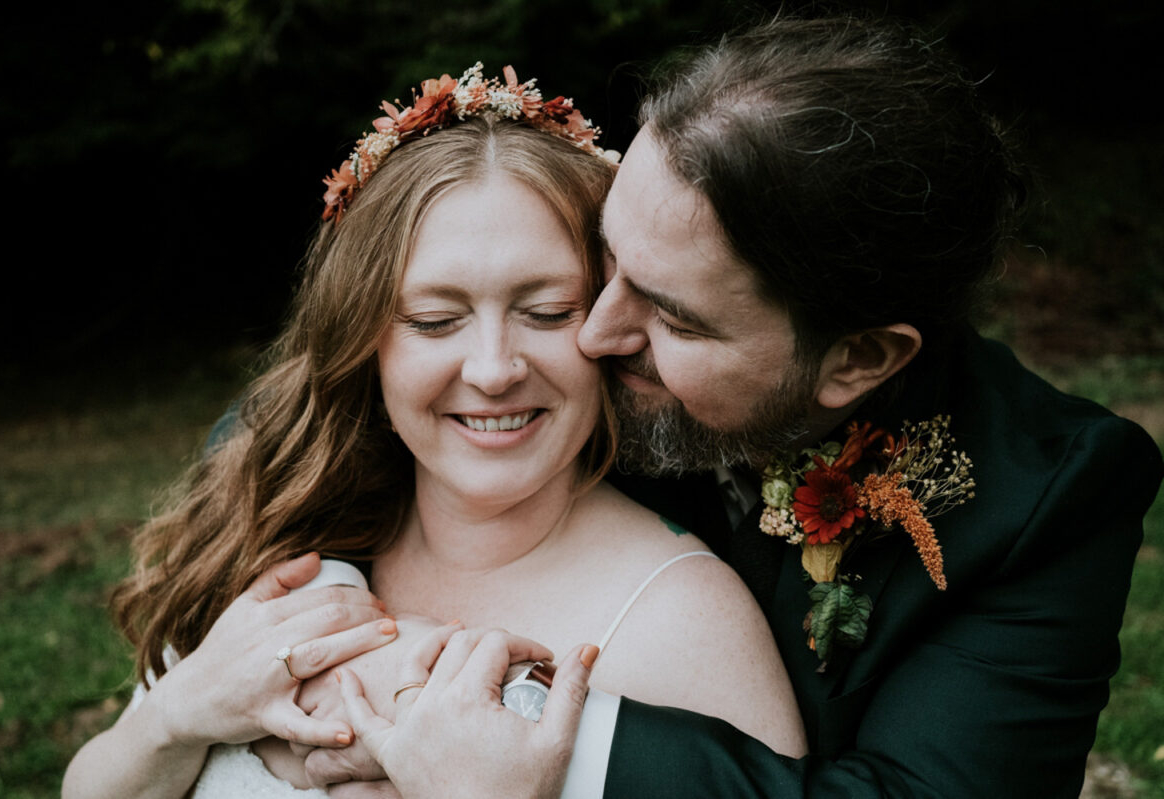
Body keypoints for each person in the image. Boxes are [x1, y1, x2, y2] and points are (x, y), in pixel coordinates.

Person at [320, 15, 1164, 799]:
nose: (595, 332)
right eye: (603, 261)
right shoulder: (603, 321)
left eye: (674, 317)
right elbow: (321, 424)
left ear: (858, 359)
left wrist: (530, 727)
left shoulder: (1046, 500)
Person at [61, 64, 806, 799]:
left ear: (611, 324)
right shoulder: (284, 524)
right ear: (366, 339)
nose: (492, 369)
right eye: (434, 320)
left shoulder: (686, 629)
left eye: (547, 311)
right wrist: (173, 719)